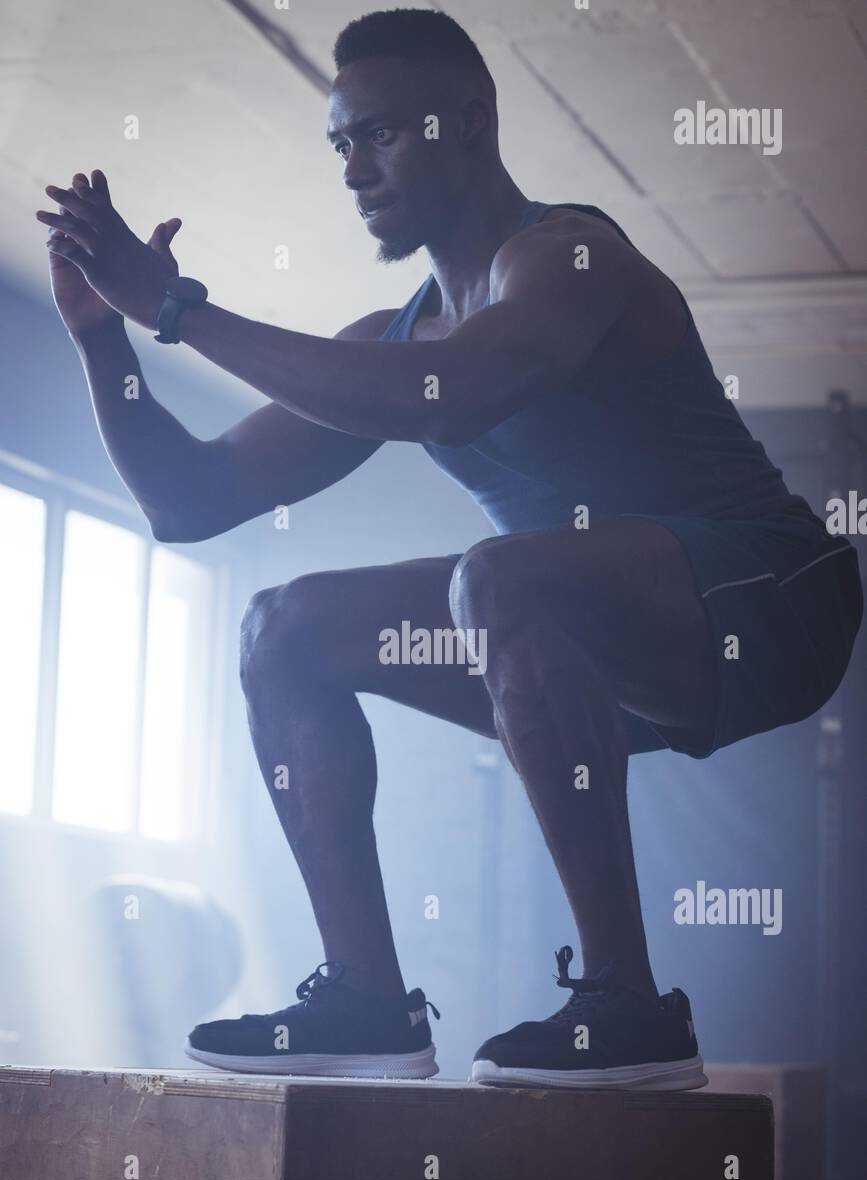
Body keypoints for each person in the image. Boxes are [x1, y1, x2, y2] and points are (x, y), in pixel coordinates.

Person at [38, 9, 862, 1089]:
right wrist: (105, 337)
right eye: (341, 142)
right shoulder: (395, 333)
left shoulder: (569, 256)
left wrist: (182, 311)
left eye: (380, 133)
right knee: (282, 630)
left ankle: (630, 1002)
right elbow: (190, 500)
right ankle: (369, 998)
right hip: (578, 634)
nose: (354, 168)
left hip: (775, 604)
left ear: (468, 121)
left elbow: (452, 392)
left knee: (499, 576)